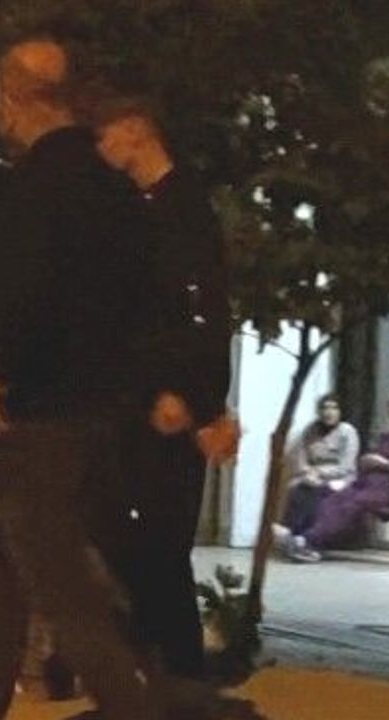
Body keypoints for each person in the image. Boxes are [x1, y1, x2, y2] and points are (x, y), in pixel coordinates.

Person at [0, 40, 255, 720]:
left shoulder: (38, 185)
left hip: (44, 412)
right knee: (11, 574)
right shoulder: (120, 195)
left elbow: (24, 292)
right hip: (108, 412)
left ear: (10, 97)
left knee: (71, 593)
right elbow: (146, 305)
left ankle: (144, 706)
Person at [89, 98, 238, 680]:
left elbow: (201, 309)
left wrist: (193, 394)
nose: (102, 149)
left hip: (166, 402)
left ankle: (175, 674)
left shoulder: (180, 210)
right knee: (141, 541)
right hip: (145, 396)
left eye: (107, 135)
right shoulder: (145, 207)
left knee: (157, 545)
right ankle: (161, 670)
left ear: (134, 130)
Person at [279, 395, 389, 563]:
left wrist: (387, 465)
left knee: (353, 504)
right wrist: (368, 462)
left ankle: (305, 541)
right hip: (368, 483)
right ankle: (311, 543)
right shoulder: (386, 437)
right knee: (334, 498)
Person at [276, 393, 359, 537]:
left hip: (340, 478)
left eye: (334, 408)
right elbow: (301, 458)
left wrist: (319, 472)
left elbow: (346, 466)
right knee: (296, 488)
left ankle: (307, 536)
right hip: (312, 475)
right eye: (325, 408)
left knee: (321, 492)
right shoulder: (311, 430)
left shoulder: (347, 431)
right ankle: (291, 531)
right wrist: (307, 472)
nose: (329, 412)